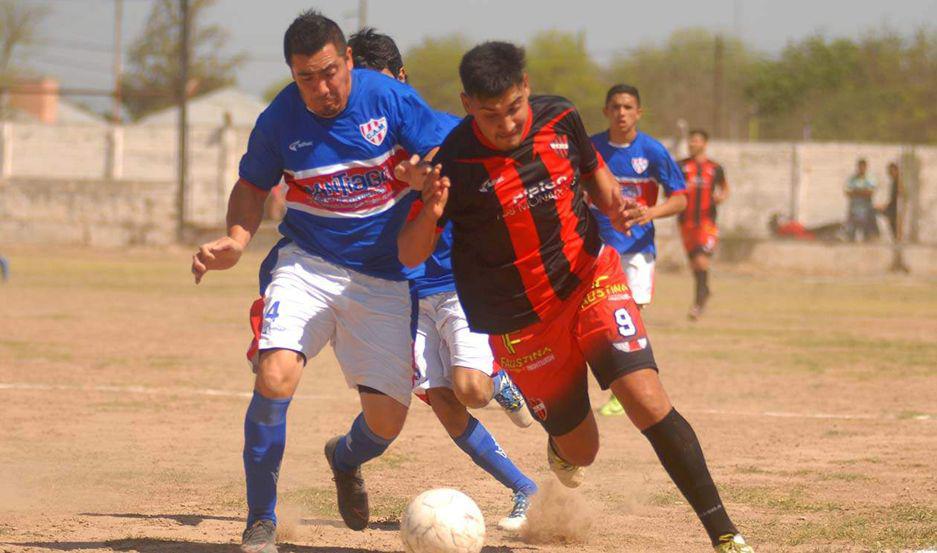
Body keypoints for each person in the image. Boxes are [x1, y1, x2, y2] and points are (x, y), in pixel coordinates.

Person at [397, 41, 753, 553]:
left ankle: (725, 534)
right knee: (582, 451)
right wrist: (428, 208)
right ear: (468, 103)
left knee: (646, 400)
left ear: (526, 88)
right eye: (490, 114)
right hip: (521, 322)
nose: (506, 124)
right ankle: (561, 446)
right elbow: (411, 252)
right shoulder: (455, 161)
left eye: (514, 107)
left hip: (591, 281)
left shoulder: (561, 117)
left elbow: (598, 183)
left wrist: (621, 206)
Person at [190, 11, 449, 553]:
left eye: (330, 72)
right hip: (308, 263)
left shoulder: (388, 99)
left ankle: (344, 456)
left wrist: (427, 173)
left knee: (386, 423)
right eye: (307, 77)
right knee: (275, 375)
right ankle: (261, 520)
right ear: (292, 73)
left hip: (383, 279)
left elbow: (437, 148)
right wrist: (237, 239)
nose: (322, 88)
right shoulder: (281, 117)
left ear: (347, 60)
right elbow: (251, 184)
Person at [347, 27, 538, 532]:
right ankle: (524, 488)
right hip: (401, 297)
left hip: (457, 287)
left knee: (471, 389)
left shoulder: (444, 133)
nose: (374, 98)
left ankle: (499, 382)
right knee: (446, 405)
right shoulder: (351, 146)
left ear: (402, 79)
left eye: (382, 83)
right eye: (361, 85)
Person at [588, 84, 687, 416]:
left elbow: (680, 197)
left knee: (629, 318)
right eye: (615, 106)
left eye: (628, 107)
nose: (622, 113)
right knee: (595, 319)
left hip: (638, 249)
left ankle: (624, 388)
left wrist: (650, 212)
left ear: (639, 112)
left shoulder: (653, 151)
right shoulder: (591, 149)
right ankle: (612, 383)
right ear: (606, 111)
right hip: (597, 249)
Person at [679, 129, 729, 321]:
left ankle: (698, 303)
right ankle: (705, 290)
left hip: (707, 222)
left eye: (696, 141)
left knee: (701, 260)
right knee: (695, 264)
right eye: (691, 141)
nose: (692, 144)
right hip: (686, 222)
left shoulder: (715, 168)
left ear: (705, 144)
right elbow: (671, 187)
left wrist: (721, 196)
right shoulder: (681, 166)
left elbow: (725, 188)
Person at [844, 158, 879, 242]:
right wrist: (863, 191)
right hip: (854, 208)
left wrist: (856, 191)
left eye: (863, 167)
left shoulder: (870, 178)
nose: (861, 168)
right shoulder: (852, 179)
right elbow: (848, 193)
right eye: (860, 166)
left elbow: (870, 193)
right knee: (851, 229)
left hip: (866, 208)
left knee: (867, 229)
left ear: (866, 167)